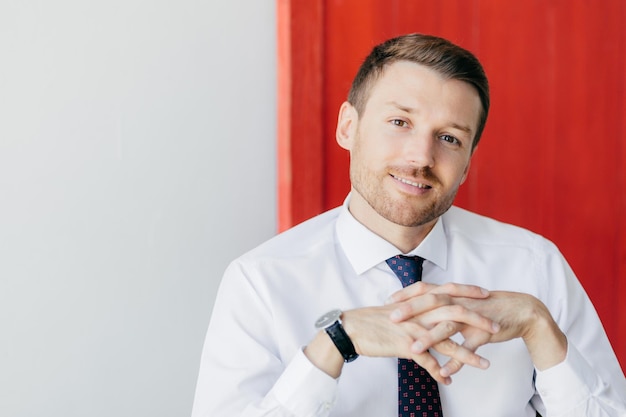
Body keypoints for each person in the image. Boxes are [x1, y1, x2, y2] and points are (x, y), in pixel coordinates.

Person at [191, 33, 626, 417]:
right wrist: (334, 344)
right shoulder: (260, 282)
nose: (420, 157)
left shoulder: (535, 267)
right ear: (348, 127)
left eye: (450, 138)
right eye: (399, 122)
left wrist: (539, 327)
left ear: (468, 162)